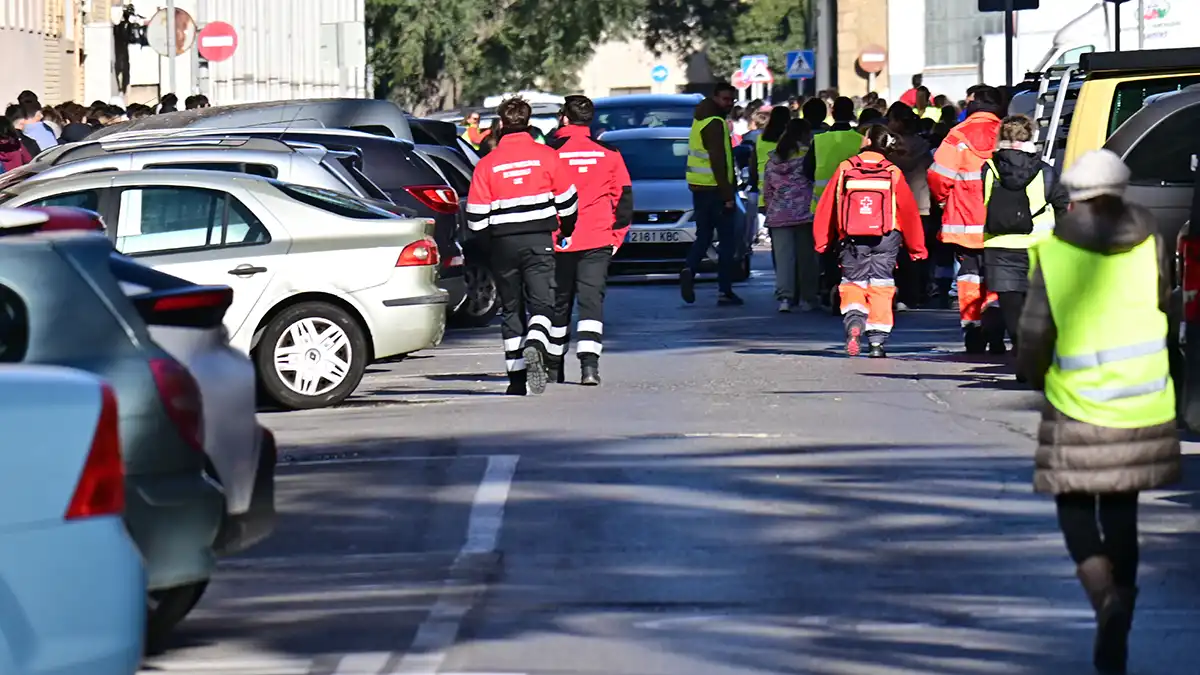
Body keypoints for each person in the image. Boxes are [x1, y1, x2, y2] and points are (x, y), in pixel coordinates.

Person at [1016, 149, 1181, 675]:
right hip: (1143, 395)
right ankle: (1123, 610)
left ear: (1074, 194)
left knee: (1073, 503)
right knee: (1122, 510)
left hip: (1077, 399)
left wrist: (1033, 371)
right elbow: (1159, 298)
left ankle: (1103, 598)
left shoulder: (1054, 250)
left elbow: (1036, 328)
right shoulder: (1149, 239)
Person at [464, 97, 578, 396]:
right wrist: (565, 228)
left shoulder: (487, 164)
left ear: (501, 124)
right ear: (528, 123)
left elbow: (476, 218)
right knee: (542, 303)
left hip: (503, 244)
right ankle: (537, 341)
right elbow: (568, 201)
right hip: (540, 240)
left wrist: (488, 246)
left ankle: (516, 382)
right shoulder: (547, 156)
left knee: (511, 309)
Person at [813, 125, 928, 357]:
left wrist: (822, 240)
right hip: (887, 237)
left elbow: (828, 206)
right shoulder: (892, 171)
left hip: (851, 237)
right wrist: (917, 247)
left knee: (853, 283)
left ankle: (855, 322)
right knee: (881, 285)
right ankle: (876, 341)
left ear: (866, 142)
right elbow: (907, 210)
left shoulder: (846, 167)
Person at [545, 95, 632, 386]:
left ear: (565, 118)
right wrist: (616, 237)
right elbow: (624, 198)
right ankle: (589, 367)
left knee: (559, 303)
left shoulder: (549, 152)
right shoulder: (609, 153)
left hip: (559, 239)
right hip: (597, 238)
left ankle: (554, 367)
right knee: (591, 303)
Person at [982, 115, 1069, 355]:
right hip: (1039, 247)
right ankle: (1034, 352)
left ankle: (1021, 349)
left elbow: (981, 202)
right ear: (1031, 138)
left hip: (999, 246)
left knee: (1011, 307)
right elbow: (1062, 204)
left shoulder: (989, 169)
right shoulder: (1045, 171)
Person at [928, 85, 1005, 353]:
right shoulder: (1007, 132)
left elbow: (938, 176)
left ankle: (973, 328)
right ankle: (996, 327)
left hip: (965, 220)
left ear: (976, 103)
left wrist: (941, 200)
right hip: (1003, 222)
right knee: (998, 274)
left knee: (969, 276)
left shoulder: (957, 136)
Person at [681, 81, 742, 306]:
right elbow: (718, 161)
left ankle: (689, 267)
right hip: (717, 191)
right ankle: (724, 291)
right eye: (725, 99)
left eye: (731, 100)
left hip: (700, 190)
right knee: (726, 242)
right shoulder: (715, 123)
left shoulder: (700, 119)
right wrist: (728, 196)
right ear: (715, 98)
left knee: (704, 235)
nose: (729, 104)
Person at [763, 118, 818, 312]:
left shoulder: (772, 161)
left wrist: (770, 209)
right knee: (806, 258)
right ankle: (806, 297)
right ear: (804, 135)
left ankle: (785, 298)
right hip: (803, 213)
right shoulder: (807, 157)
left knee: (784, 258)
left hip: (778, 214)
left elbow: (767, 191)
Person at [887, 108, 933, 309]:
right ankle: (918, 292)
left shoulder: (888, 147)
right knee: (918, 250)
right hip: (920, 203)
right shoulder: (924, 145)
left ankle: (899, 292)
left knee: (896, 251)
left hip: (895, 203)